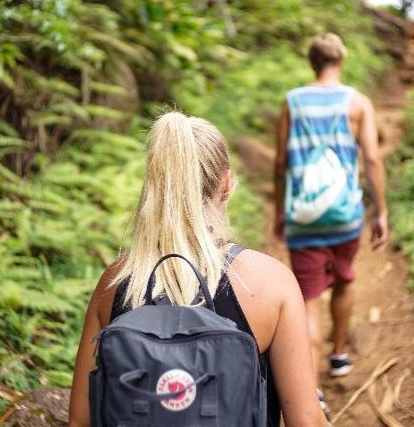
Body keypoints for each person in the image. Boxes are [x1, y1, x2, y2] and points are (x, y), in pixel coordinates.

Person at [69, 112, 329, 427]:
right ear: (226, 184)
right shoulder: (270, 282)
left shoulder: (114, 285)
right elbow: (306, 422)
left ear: (153, 186)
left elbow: (80, 421)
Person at [274, 33, 388, 384]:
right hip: (345, 216)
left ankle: (311, 386)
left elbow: (280, 163)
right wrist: (380, 212)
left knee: (308, 297)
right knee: (343, 280)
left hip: (303, 217)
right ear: (341, 60)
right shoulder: (358, 103)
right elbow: (372, 159)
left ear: (312, 62)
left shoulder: (292, 102)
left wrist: (280, 212)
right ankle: (338, 356)